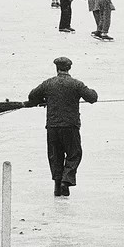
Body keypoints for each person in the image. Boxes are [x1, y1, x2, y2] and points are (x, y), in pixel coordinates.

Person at [24, 57, 98, 197]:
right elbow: (92, 97)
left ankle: (58, 186)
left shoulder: (48, 84)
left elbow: (32, 96)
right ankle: (66, 180)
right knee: (74, 154)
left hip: (52, 126)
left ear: (56, 68)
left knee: (55, 156)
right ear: (69, 68)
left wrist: (43, 100)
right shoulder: (76, 84)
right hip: (70, 126)